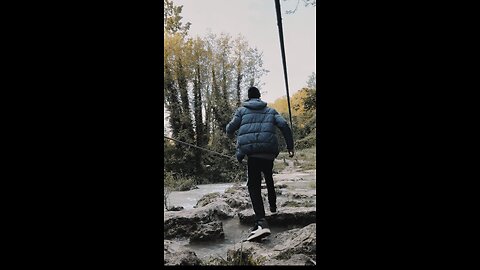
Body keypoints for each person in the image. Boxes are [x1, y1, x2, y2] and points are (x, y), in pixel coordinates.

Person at [226, 86, 294, 241]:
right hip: (268, 153)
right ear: (260, 97)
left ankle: (261, 223)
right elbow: (284, 125)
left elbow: (230, 127)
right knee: (268, 177)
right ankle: (273, 206)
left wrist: (230, 134)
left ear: (248, 98)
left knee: (253, 185)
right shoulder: (270, 111)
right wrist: (290, 147)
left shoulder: (242, 111)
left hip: (252, 153)